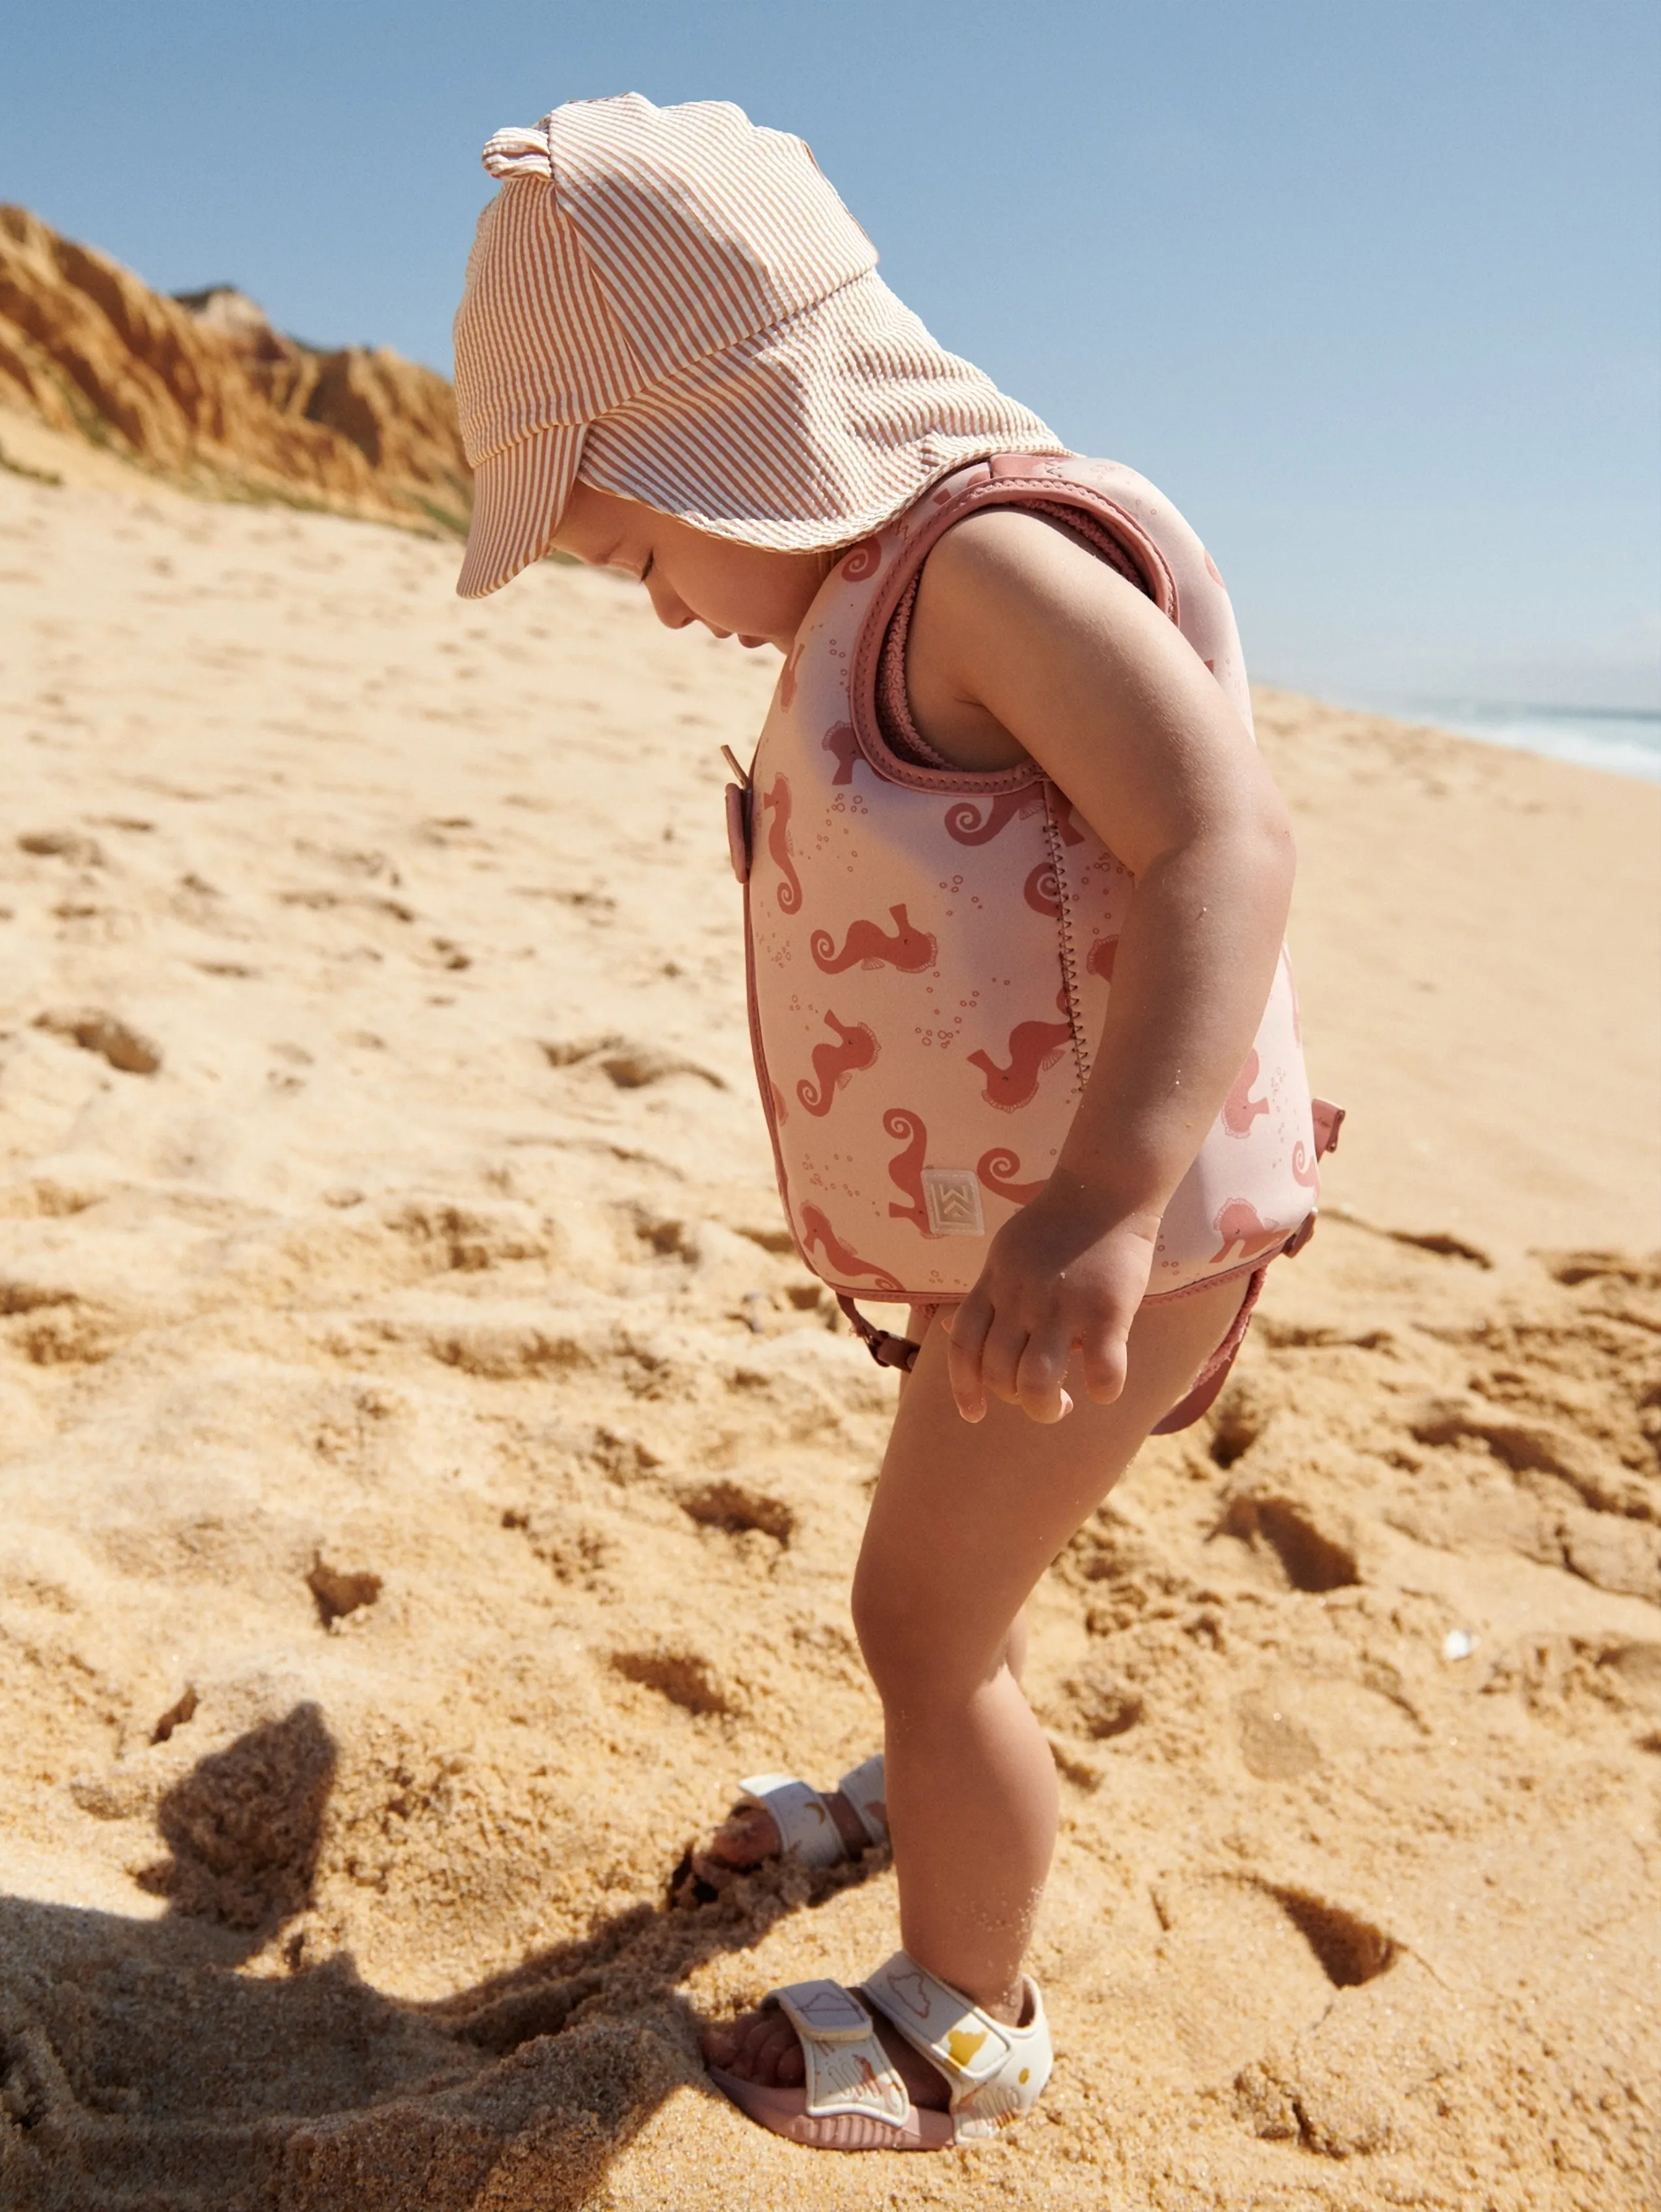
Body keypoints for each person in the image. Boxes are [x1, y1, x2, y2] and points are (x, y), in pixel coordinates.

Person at [453, 93, 1323, 2155]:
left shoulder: (987, 571)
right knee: (953, 1575)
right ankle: (908, 1789)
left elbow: (1223, 839)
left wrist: (1101, 1204)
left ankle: (970, 2015)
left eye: (641, 542)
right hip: (1041, 1227)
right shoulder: (870, 590)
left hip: (1132, 1226)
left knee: (916, 1619)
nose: (660, 603)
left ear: (736, 442)